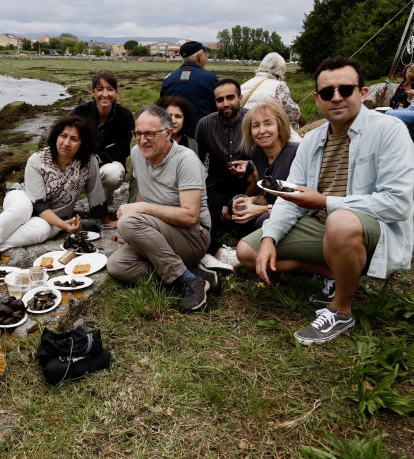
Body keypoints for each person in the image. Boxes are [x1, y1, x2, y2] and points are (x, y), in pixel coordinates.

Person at [236, 56, 414, 345]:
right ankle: (337, 272)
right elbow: (291, 195)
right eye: (327, 93)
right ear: (317, 99)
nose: (336, 97)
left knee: (340, 221)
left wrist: (325, 203)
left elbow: (397, 204)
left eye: (345, 90)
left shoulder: (388, 131)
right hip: (321, 226)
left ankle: (341, 309)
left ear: (363, 93)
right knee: (247, 251)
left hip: (368, 229)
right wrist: (269, 237)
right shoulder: (312, 140)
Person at [0, 115, 111, 272]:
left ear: (82, 143)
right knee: (22, 208)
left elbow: (96, 194)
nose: (66, 143)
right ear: (56, 136)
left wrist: (107, 224)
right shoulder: (37, 160)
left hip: (55, 215)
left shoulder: (89, 162)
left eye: (74, 139)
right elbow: (39, 205)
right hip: (23, 197)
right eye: (63, 136)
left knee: (42, 231)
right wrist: (63, 225)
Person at [106, 105, 217, 313]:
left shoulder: (186, 160)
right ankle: (191, 272)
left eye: (150, 133)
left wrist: (138, 215)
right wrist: (136, 234)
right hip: (160, 235)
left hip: (193, 237)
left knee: (128, 221)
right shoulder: (137, 154)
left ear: (168, 133)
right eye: (137, 133)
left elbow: (191, 217)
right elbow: (141, 194)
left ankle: (189, 282)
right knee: (117, 266)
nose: (142, 140)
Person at [211, 100, 299, 269]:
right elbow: (269, 193)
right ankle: (252, 246)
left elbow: (298, 204)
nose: (262, 131)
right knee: (237, 202)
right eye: (256, 126)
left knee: (263, 221)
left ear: (280, 126)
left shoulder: (295, 153)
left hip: (294, 213)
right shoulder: (257, 153)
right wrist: (252, 201)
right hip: (274, 205)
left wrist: (262, 210)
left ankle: (277, 259)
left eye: (268, 124)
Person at [195, 79, 251, 273]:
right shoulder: (205, 125)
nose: (225, 103)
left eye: (230, 97)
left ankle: (246, 249)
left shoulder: (252, 120)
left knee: (247, 226)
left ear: (240, 98)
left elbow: (265, 158)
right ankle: (212, 252)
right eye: (220, 99)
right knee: (205, 221)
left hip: (248, 185)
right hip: (216, 184)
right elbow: (197, 162)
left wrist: (249, 165)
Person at [71, 70, 135, 212]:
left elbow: (123, 150)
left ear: (116, 92)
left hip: (107, 164)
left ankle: (107, 196)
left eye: (110, 89)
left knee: (114, 175)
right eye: (100, 89)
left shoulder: (125, 116)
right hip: (80, 162)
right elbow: (66, 136)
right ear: (93, 92)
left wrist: (98, 158)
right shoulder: (80, 112)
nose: (105, 94)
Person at [160, 41, 219, 137]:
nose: (206, 58)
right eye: (205, 55)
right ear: (199, 56)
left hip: (173, 137)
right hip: (201, 136)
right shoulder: (210, 78)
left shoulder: (169, 78)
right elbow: (216, 109)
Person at [240, 52, 302, 134]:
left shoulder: (243, 86)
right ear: (281, 69)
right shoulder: (279, 86)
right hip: (266, 133)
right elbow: (292, 114)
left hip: (245, 132)